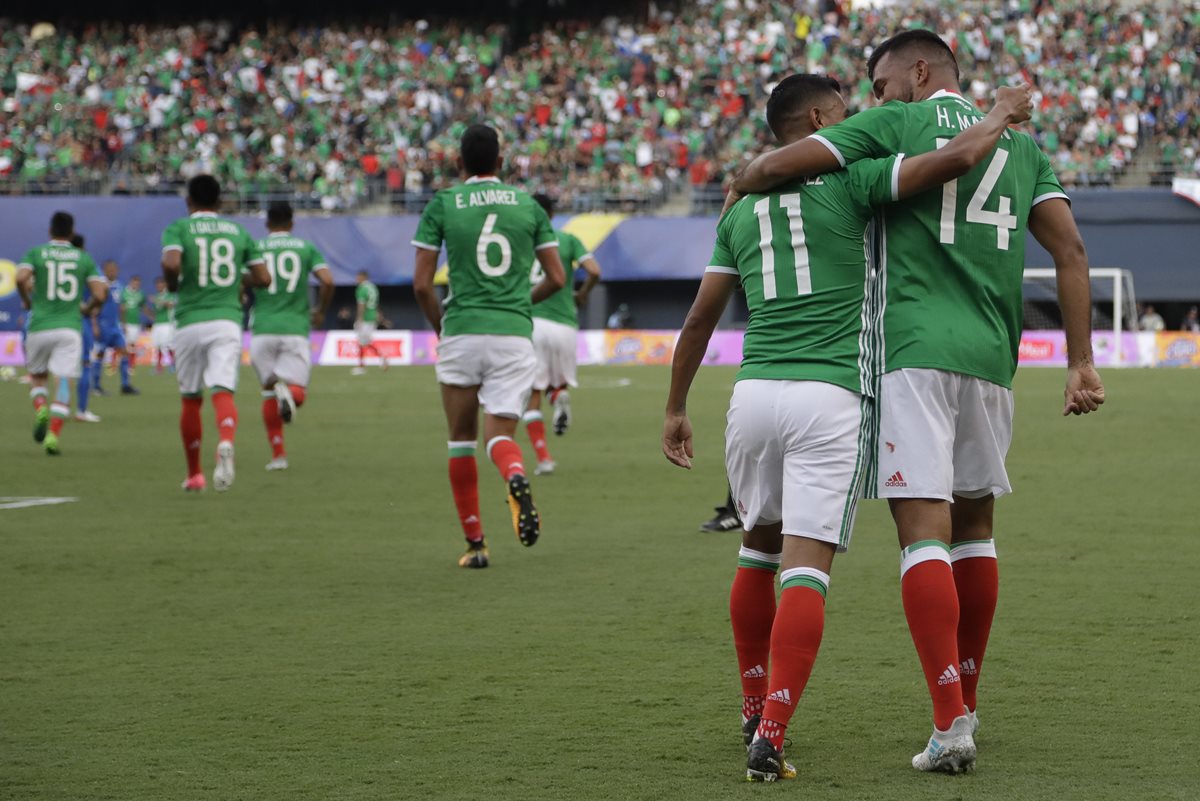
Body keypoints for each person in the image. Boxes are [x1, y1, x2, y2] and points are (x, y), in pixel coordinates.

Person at [730, 31, 1106, 774]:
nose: (870, 97)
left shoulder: (893, 127)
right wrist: (1082, 362)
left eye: (878, 81)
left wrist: (747, 175)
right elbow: (1071, 251)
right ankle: (968, 697)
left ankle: (949, 723)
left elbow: (779, 164)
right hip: (994, 358)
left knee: (923, 533)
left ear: (918, 71)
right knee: (977, 528)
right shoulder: (1026, 151)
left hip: (910, 352)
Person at [664, 74, 1032, 782]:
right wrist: (1000, 114)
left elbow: (697, 319)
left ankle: (749, 702)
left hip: (752, 394)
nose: (854, 119)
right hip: (828, 394)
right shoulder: (856, 181)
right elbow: (948, 162)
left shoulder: (739, 213)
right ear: (817, 119)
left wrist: (676, 406)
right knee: (807, 567)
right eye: (841, 112)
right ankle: (770, 732)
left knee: (755, 549)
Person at [412, 123, 566, 569]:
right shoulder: (526, 205)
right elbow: (556, 278)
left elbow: (422, 285)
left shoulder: (443, 203)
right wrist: (519, 301)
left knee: (460, 441)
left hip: (461, 329)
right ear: (502, 162)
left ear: (459, 163)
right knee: (499, 436)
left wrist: (442, 327)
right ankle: (516, 473)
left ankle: (476, 543)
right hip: (512, 336)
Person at [162, 174, 270, 491]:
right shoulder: (237, 232)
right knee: (223, 390)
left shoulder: (178, 228)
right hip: (226, 320)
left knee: (191, 399)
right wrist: (235, 277)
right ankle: (225, 440)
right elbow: (263, 278)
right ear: (220, 202)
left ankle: (195, 474)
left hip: (189, 319)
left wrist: (173, 285)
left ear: (188, 202)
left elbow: (170, 263)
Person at [250, 201, 335, 470]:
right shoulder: (305, 248)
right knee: (297, 392)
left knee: (267, 391)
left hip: (263, 325)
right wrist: (320, 311)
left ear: (267, 224)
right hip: (295, 326)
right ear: (292, 223)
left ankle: (278, 456)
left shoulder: (256, 247)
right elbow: (328, 280)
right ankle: (287, 393)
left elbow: (243, 279)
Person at [522, 193, 602, 475]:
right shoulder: (568, 240)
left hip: (531, 324)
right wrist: (581, 294)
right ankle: (559, 399)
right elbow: (594, 270)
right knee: (556, 384)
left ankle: (544, 458)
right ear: (553, 214)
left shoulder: (522, 242)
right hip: (566, 324)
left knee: (531, 395)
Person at [16, 211, 108, 454]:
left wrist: (27, 300)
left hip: (39, 326)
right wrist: (88, 308)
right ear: (71, 233)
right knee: (64, 380)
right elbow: (100, 294)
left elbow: (21, 277)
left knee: (37, 377)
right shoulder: (83, 258)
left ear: (50, 231)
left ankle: (40, 408)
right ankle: (53, 436)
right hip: (69, 328)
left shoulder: (35, 253)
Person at [91, 260, 139, 396]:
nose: (112, 272)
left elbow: (121, 307)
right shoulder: (100, 286)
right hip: (103, 325)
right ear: (104, 271)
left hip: (115, 326)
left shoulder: (119, 286)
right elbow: (94, 307)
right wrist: (94, 325)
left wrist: (123, 324)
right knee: (100, 355)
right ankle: (96, 386)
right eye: (109, 269)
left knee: (124, 352)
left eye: (114, 269)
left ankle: (125, 385)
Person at [71, 232, 102, 423]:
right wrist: (88, 308)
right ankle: (81, 410)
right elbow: (101, 291)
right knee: (85, 364)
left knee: (62, 367)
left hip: (58, 319)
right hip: (79, 320)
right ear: (83, 246)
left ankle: (61, 406)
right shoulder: (86, 262)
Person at [352, 270, 387, 374]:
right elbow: (375, 303)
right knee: (364, 342)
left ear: (363, 277)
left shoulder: (362, 288)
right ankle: (365, 364)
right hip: (373, 317)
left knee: (363, 342)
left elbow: (361, 305)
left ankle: (363, 366)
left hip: (366, 318)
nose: (356, 279)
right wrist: (379, 316)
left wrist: (359, 319)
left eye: (358, 277)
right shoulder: (373, 287)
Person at [149, 276, 178, 372]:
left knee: (169, 345)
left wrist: (158, 301)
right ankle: (158, 367)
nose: (159, 286)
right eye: (157, 284)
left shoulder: (170, 295)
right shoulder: (156, 296)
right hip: (158, 324)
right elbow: (155, 311)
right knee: (157, 346)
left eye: (161, 284)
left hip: (167, 324)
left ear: (165, 285)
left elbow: (171, 304)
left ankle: (173, 365)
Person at [121, 274, 149, 362]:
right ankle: (118, 364)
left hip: (135, 323)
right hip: (125, 322)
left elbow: (143, 308)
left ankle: (131, 365)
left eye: (138, 284)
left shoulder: (141, 294)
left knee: (133, 344)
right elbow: (121, 309)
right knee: (122, 344)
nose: (136, 285)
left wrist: (152, 316)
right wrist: (123, 323)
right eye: (135, 283)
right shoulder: (124, 292)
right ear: (131, 282)